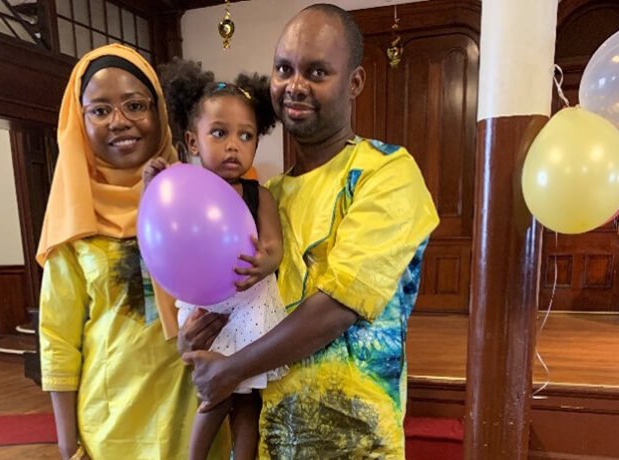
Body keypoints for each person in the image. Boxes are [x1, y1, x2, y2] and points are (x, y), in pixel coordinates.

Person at [182, 4, 440, 458]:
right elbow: (233, 300)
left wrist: (231, 370)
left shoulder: (385, 173)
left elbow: (338, 307)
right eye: (285, 69)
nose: (295, 85)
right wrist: (195, 334)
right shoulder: (265, 196)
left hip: (356, 444)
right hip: (272, 440)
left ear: (353, 82)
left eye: (317, 71)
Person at [37, 44, 228, 460]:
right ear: (79, 121)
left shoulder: (198, 197)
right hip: (112, 424)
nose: (119, 122)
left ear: (159, 112)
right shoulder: (73, 220)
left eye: (135, 105)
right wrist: (68, 443)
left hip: (197, 411)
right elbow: (57, 338)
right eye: (100, 110)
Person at [144, 59, 286, 460]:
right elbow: (164, 231)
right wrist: (152, 186)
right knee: (215, 393)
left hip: (251, 304)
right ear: (192, 141)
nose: (233, 146)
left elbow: (273, 245)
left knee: (249, 400)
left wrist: (266, 262)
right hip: (208, 306)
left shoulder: (261, 194)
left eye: (246, 136)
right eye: (220, 133)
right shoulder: (186, 188)